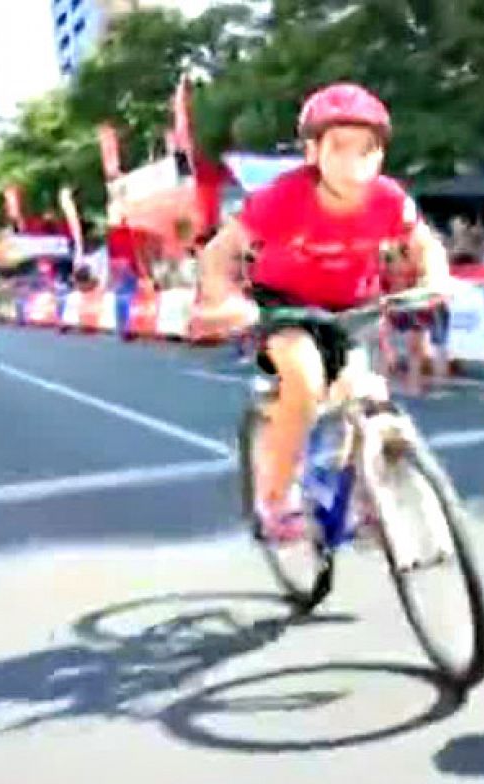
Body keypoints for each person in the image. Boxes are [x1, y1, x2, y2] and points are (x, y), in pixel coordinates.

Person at [192, 82, 453, 543]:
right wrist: (222, 300)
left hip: (353, 305)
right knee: (307, 381)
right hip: (286, 303)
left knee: (361, 391)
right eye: (339, 147)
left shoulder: (389, 198)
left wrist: (436, 278)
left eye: (367, 149)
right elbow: (219, 252)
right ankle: (275, 499)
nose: (355, 162)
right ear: (313, 152)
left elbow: (425, 244)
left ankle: (362, 492)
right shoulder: (283, 198)